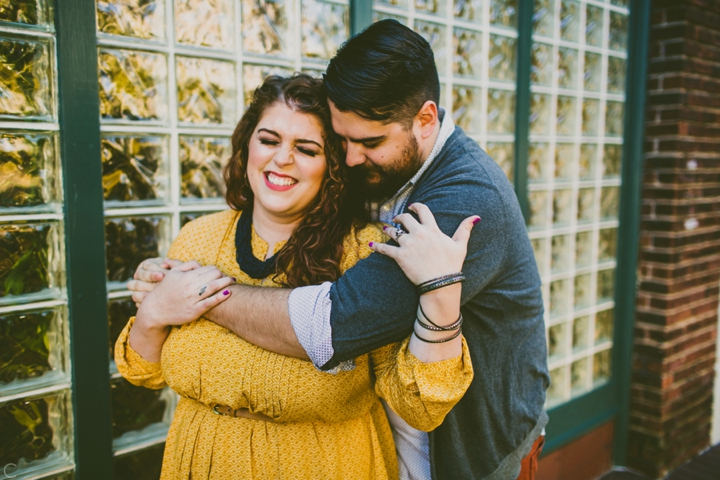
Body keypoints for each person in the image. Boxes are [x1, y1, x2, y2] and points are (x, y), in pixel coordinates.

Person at [131, 20, 549, 479]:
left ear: (425, 120)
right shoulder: (378, 170)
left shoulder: (466, 199)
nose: (350, 160)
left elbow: (336, 323)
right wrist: (158, 302)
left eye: (367, 143)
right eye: (342, 141)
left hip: (469, 449)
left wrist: (198, 295)